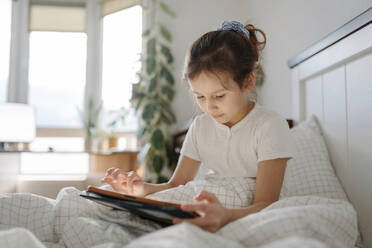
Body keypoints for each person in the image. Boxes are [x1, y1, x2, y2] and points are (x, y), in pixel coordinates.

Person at [101, 21, 293, 233]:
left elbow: (266, 205)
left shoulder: (269, 125)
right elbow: (175, 186)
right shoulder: (200, 126)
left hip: (239, 214)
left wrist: (225, 216)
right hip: (205, 206)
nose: (209, 107)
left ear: (248, 82)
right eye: (200, 96)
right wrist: (141, 189)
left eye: (219, 95)